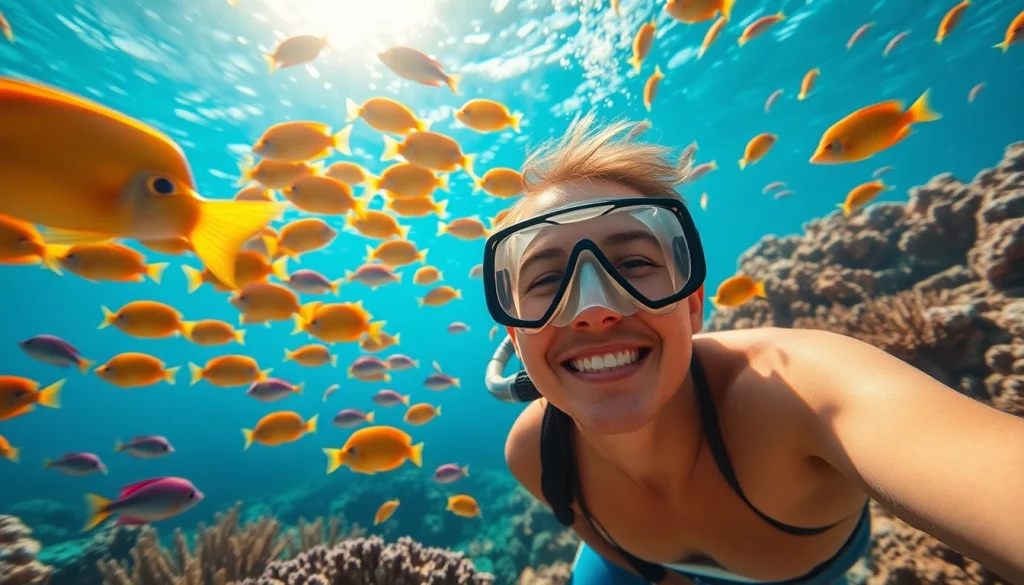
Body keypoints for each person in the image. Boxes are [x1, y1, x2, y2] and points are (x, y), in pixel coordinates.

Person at [480, 113, 1024, 585]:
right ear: (515, 337)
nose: (594, 309)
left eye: (634, 264)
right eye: (548, 280)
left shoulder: (798, 390)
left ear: (693, 305)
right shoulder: (532, 453)